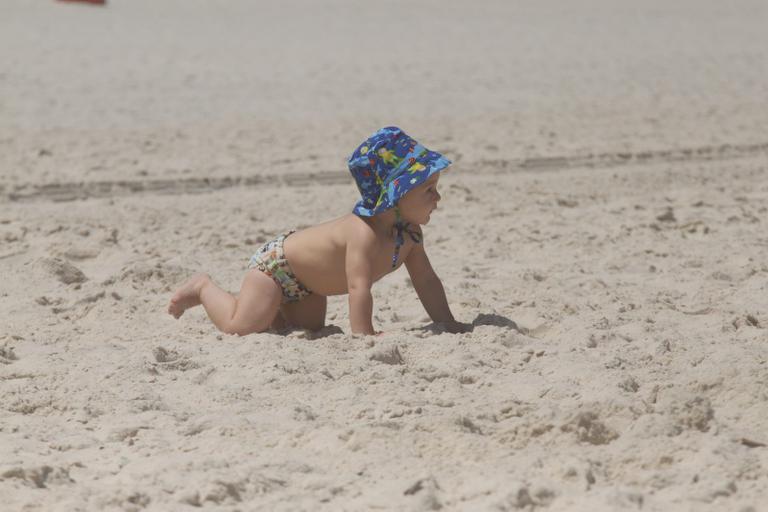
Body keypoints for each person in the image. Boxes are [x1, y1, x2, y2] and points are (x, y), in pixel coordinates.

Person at [168, 126, 469, 336]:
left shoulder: (410, 235)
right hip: (277, 267)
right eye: (429, 190)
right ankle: (203, 288)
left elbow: (426, 280)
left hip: (308, 283)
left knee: (304, 330)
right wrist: (364, 334)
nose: (437, 197)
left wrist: (448, 322)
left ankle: (272, 310)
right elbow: (357, 288)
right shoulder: (363, 234)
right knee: (241, 327)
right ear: (394, 197)